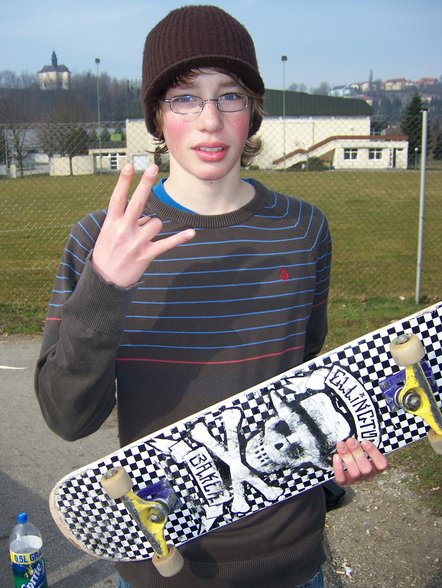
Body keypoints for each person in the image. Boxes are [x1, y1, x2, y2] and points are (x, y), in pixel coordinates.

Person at [35, 5, 387, 588]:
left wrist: (340, 451)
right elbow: (67, 417)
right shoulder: (103, 239)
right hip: (159, 560)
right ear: (156, 115)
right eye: (183, 98)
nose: (209, 121)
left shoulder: (303, 229)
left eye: (230, 95)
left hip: (292, 560)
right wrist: (106, 287)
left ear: (253, 111)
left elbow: (305, 376)